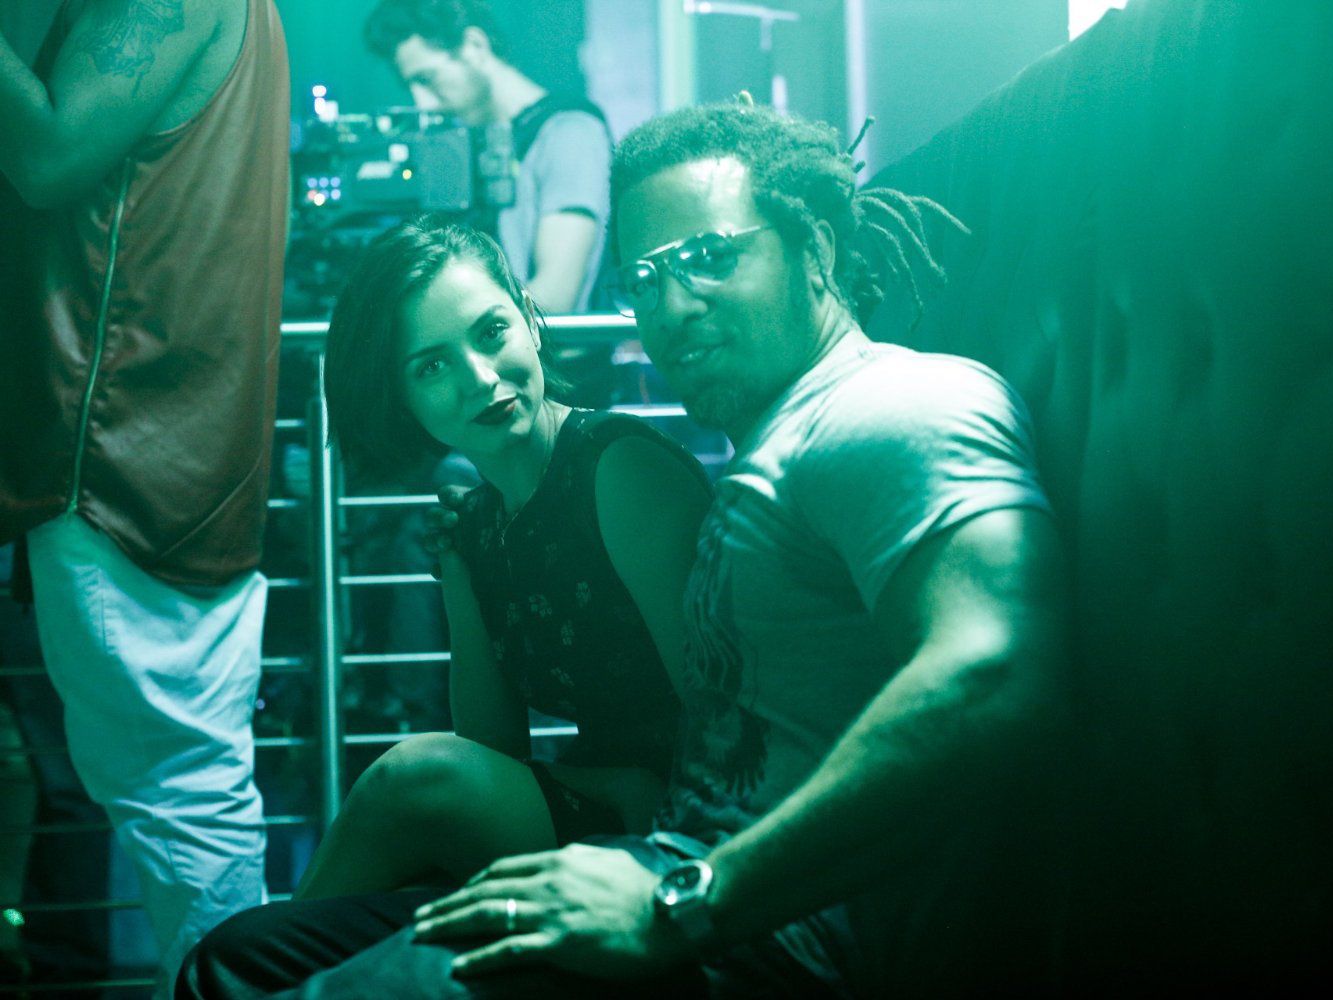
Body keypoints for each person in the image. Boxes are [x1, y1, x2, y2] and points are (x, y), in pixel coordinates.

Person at [178, 100, 1068, 999]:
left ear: (816, 250)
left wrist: (682, 899)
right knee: (236, 961)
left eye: (712, 256)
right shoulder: (770, 447)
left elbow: (994, 670)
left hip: (750, 927)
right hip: (681, 873)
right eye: (646, 276)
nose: (673, 305)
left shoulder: (894, 406)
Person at [0, 0, 289, 992]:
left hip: (123, 450)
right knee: (179, 794)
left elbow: (46, 155)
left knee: (181, 795)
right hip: (142, 446)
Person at [294, 216, 711, 900]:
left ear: (530, 320)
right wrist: (459, 571)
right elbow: (493, 750)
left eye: (492, 332)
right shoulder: (481, 521)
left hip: (689, 825)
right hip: (599, 803)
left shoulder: (619, 469)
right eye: (432, 366)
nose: (480, 378)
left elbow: (723, 714)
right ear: (401, 398)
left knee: (410, 776)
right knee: (279, 939)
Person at [363, 0, 612, 314]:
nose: (423, 103)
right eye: (409, 86)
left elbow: (556, 298)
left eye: (427, 79)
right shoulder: (473, 146)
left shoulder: (570, 132)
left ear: (475, 46)